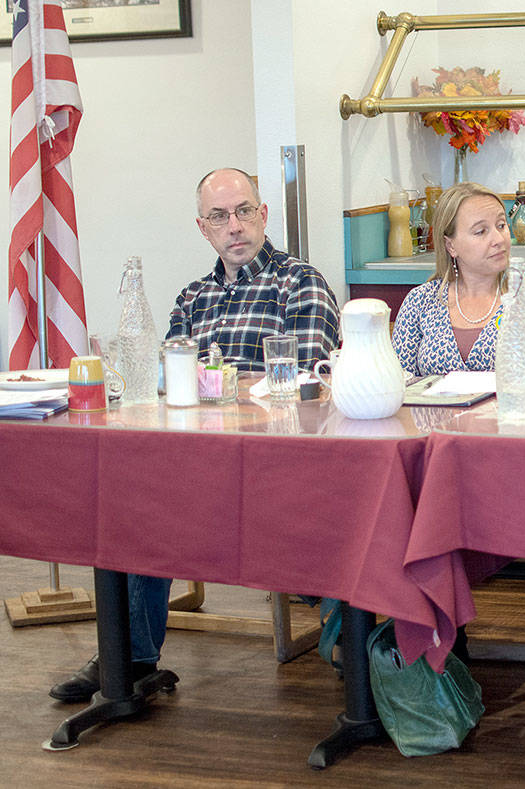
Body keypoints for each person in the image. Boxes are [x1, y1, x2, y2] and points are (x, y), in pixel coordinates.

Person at [49, 167, 341, 704]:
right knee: (127, 494)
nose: (235, 225)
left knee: (157, 497)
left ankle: (348, 626)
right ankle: (128, 658)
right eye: (219, 217)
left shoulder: (299, 282)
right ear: (202, 228)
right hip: (198, 462)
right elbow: (167, 386)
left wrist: (217, 386)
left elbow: (305, 385)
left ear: (263, 215)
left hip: (275, 464)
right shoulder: (192, 298)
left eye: (244, 211)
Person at [392, 182, 525, 375]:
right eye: (480, 231)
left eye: (501, 225)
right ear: (451, 246)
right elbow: (399, 381)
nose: (499, 239)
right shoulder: (420, 302)